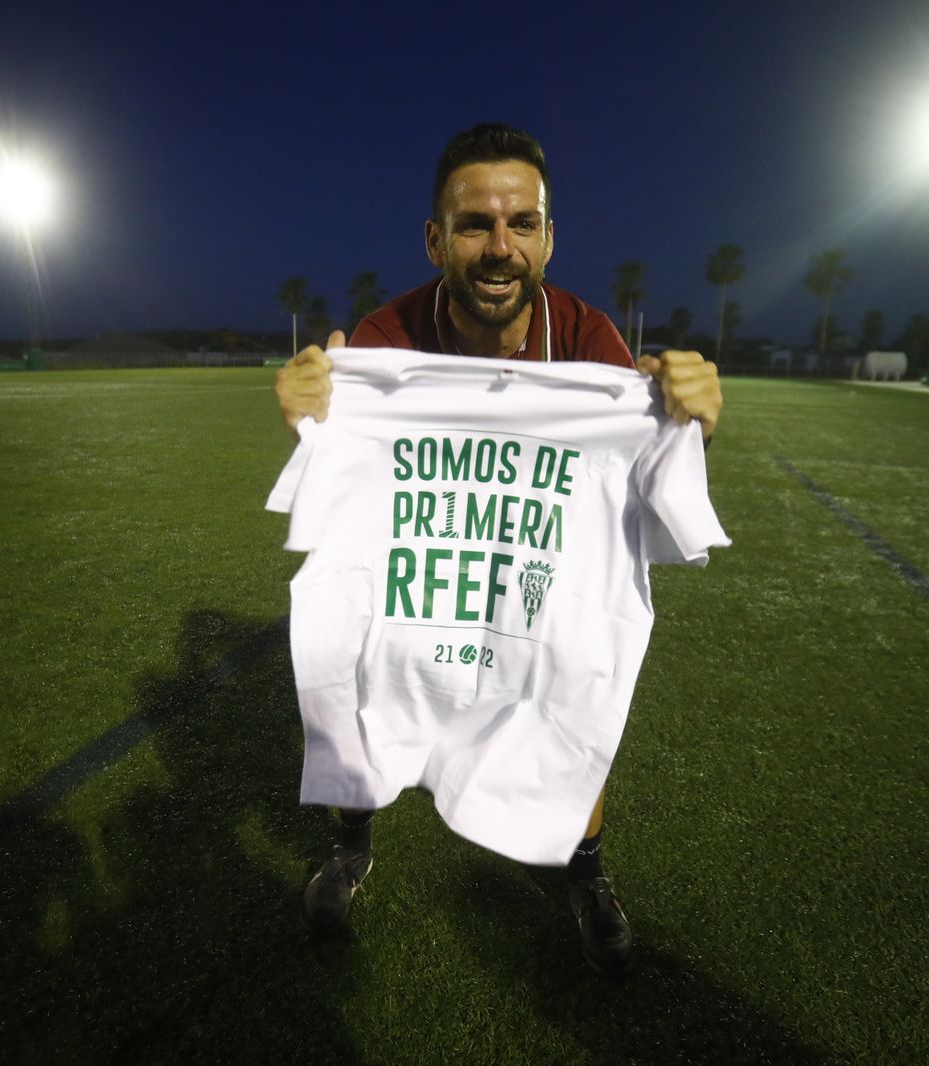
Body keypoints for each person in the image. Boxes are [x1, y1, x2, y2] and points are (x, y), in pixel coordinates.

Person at [274, 124, 722, 977]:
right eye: (475, 224)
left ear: (549, 238)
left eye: (523, 223)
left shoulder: (588, 341)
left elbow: (640, 488)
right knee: (358, 669)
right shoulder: (384, 339)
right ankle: (352, 843)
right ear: (435, 239)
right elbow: (345, 476)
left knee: (569, 675)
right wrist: (311, 418)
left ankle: (584, 872)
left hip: (532, 570)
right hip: (425, 564)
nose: (499, 247)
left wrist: (688, 426)